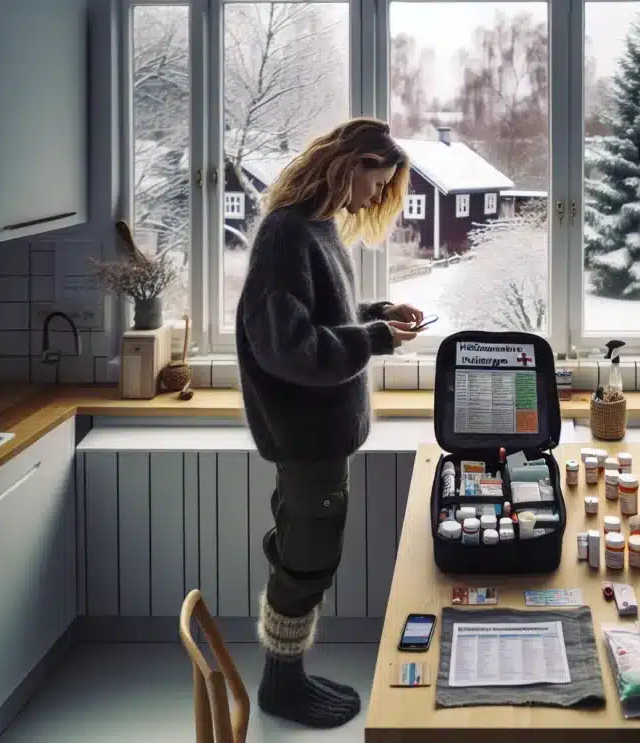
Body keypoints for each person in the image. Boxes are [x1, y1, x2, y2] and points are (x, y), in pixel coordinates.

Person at [235, 117, 422, 728]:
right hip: (306, 437)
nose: (375, 197)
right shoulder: (287, 234)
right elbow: (288, 348)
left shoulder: (315, 228)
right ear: (350, 167)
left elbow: (323, 315)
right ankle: (281, 687)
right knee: (306, 560)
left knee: (307, 551)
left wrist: (378, 314)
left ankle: (287, 677)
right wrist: (374, 338)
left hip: (319, 436)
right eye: (377, 182)